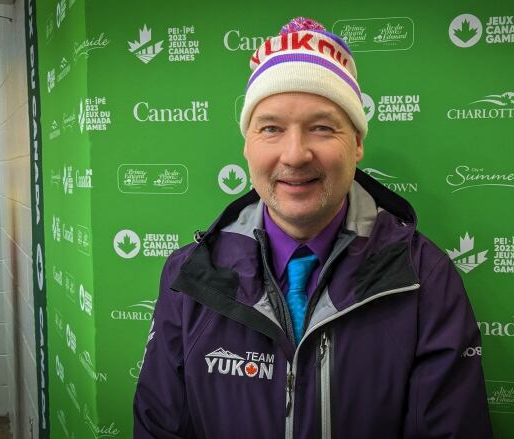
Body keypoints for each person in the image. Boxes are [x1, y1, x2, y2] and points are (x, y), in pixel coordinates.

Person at [135, 17, 492, 438]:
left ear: (357, 143)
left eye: (322, 128)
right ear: (247, 145)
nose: (295, 154)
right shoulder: (191, 276)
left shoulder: (423, 279)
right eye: (271, 128)